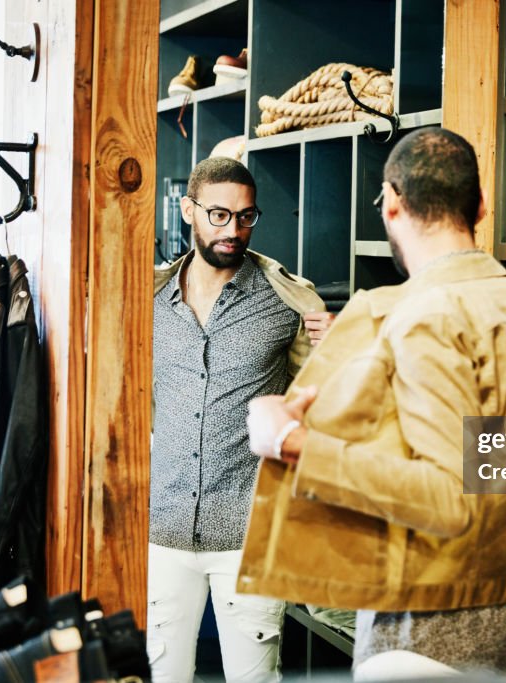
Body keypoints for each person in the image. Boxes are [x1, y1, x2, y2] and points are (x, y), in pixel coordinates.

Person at [239, 128, 506, 681]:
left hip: (419, 643)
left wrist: (289, 439)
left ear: (393, 204)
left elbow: (446, 496)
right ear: (478, 206)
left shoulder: (412, 316)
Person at [148, 156, 333, 683]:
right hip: (162, 526)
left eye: (247, 217)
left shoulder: (286, 302)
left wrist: (339, 350)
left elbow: (319, 406)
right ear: (189, 211)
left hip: (252, 534)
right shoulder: (149, 298)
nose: (234, 230)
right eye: (220, 215)